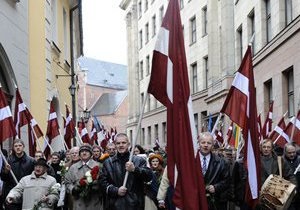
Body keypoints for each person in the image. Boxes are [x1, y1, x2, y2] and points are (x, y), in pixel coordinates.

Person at [100, 133, 153, 210]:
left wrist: (135, 169)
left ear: (128, 144)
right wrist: (116, 190)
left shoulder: (139, 160)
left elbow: (149, 176)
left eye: (123, 143)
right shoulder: (108, 163)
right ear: (115, 145)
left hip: (134, 205)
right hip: (114, 205)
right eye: (118, 143)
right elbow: (102, 183)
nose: (121, 145)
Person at [198, 132, 230, 210]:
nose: (206, 145)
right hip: (196, 201)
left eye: (209, 143)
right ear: (199, 143)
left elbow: (227, 181)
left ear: (212, 145)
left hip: (214, 203)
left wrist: (216, 187)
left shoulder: (222, 162)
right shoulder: (190, 161)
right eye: (203, 142)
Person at [65, 144, 102, 210]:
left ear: (91, 154)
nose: (84, 153)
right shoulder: (73, 168)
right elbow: (67, 182)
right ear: (79, 154)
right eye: (82, 151)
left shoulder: (98, 166)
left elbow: (103, 181)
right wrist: (74, 189)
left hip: (94, 202)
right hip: (78, 202)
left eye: (86, 151)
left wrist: (94, 185)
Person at [1, 139, 35, 210]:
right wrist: (6, 171)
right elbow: (3, 178)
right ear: (13, 148)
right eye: (16, 146)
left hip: (26, 193)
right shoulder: (7, 160)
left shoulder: (31, 161)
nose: (18, 147)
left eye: (20, 145)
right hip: (11, 193)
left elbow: (35, 176)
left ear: (23, 147)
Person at [283, 143, 300, 209]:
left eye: (293, 152)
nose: (292, 154)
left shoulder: (299, 160)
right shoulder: (281, 161)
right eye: (289, 153)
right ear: (285, 152)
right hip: (287, 194)